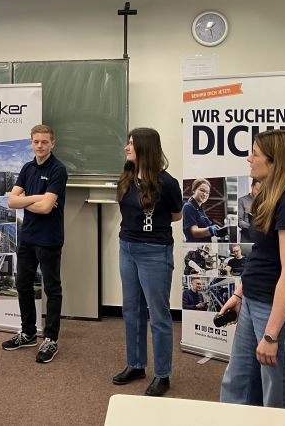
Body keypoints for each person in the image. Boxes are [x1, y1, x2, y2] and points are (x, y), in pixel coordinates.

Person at [219, 130, 285, 410]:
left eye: (255, 153)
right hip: (254, 303)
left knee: (280, 402)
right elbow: (261, 255)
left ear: (276, 161)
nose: (248, 158)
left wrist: (271, 334)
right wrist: (240, 295)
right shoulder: (269, 197)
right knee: (238, 387)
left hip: (278, 314)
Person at [113, 127, 182, 397]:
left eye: (131, 143)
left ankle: (162, 374)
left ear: (145, 148)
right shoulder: (127, 177)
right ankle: (136, 365)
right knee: (131, 310)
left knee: (159, 315)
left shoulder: (167, 183)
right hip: (126, 248)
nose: (127, 147)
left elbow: (176, 215)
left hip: (155, 251)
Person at [1, 124, 67, 363]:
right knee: (22, 284)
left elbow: (46, 208)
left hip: (49, 238)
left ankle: (50, 339)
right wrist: (39, 197)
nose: (40, 146)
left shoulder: (58, 169)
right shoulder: (27, 168)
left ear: (52, 143)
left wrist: (26, 200)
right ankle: (28, 332)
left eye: (44, 142)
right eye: (36, 141)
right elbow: (11, 202)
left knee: (52, 288)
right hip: (28, 237)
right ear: (31, 143)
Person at [238, 178, 261, 242]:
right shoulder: (241, 201)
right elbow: (239, 221)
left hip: (260, 238)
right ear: (252, 186)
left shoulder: (265, 202)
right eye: (257, 190)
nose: (258, 193)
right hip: (246, 238)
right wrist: (252, 227)